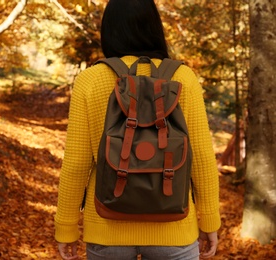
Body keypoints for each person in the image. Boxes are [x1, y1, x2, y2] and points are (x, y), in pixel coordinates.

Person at [54, 0, 221, 259]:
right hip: (174, 228)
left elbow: (77, 163)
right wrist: (209, 221)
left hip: (106, 229)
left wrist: (66, 227)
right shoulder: (183, 78)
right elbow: (200, 158)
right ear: (155, 26)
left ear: (109, 29)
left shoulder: (90, 80)